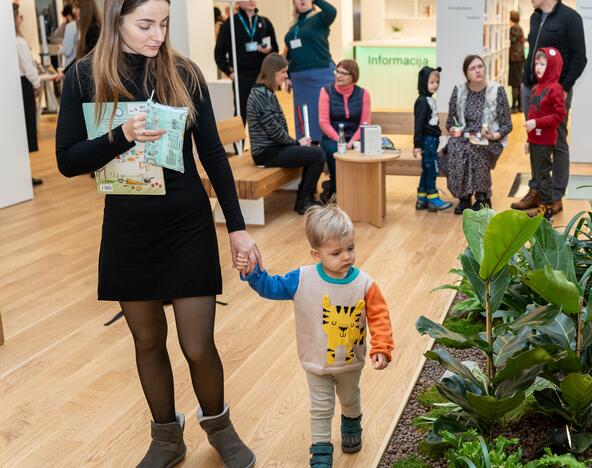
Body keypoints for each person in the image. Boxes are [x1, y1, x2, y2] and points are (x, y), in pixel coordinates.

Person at [55, 1, 260, 466]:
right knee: (146, 340)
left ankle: (220, 427)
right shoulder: (84, 78)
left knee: (197, 343)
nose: (157, 35)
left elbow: (213, 155)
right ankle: (167, 438)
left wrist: (239, 230)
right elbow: (68, 160)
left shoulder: (183, 74)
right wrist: (121, 135)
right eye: (145, 24)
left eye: (164, 24)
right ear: (117, 20)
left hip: (187, 225)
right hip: (128, 231)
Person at [236, 204, 393, 468]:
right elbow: (270, 287)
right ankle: (321, 450)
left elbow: (380, 317)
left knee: (350, 399)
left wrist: (382, 347)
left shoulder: (365, 284)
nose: (346, 257)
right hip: (315, 363)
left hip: (350, 363)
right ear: (315, 253)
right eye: (336, 252)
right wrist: (252, 272)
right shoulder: (302, 279)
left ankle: (352, 423)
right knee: (320, 408)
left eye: (351, 248)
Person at [513, 0, 586, 216]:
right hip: (531, 88)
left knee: (558, 141)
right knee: (536, 139)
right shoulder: (535, 17)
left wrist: (564, 87)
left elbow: (580, 57)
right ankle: (537, 189)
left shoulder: (570, 18)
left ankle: (555, 196)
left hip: (555, 91)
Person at [247, 53, 325, 215]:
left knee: (314, 149)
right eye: (282, 72)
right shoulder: (261, 94)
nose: (285, 76)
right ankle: (303, 200)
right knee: (317, 154)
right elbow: (274, 130)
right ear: (272, 72)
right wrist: (296, 143)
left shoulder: (265, 92)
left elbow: (276, 130)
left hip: (274, 148)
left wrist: (296, 142)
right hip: (266, 153)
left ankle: (306, 196)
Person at [443, 55, 513, 214]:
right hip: (464, 137)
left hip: (490, 140)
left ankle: (483, 197)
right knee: (456, 147)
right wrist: (453, 129)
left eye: (480, 66)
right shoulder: (459, 91)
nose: (478, 70)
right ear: (466, 74)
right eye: (473, 68)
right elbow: (450, 122)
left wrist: (494, 135)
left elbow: (507, 124)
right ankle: (464, 197)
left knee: (475, 148)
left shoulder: (497, 90)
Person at [214, 0, 278, 124]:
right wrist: (230, 73)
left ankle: (264, 144)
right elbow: (219, 54)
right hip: (241, 78)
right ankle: (239, 144)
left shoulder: (264, 23)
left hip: (262, 77)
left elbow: (275, 50)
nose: (251, 1)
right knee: (240, 115)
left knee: (266, 115)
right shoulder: (230, 24)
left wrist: (268, 51)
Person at [318, 59, 371, 204]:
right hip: (332, 137)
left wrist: (352, 142)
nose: (338, 76)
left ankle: (360, 192)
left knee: (364, 151)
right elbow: (323, 122)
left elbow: (364, 123)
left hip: (355, 138)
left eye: (343, 73)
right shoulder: (326, 91)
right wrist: (339, 140)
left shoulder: (363, 94)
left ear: (353, 76)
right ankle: (337, 190)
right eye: (337, 71)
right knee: (334, 151)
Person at [285, 0, 337, 143]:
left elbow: (332, 11)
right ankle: (307, 152)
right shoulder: (294, 26)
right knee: (303, 118)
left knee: (322, 115)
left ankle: (328, 150)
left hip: (320, 75)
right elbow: (291, 53)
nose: (302, 1)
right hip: (299, 80)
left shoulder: (320, 19)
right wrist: (288, 75)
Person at [524, 48, 567, 219]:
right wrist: (529, 138)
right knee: (538, 173)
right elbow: (533, 114)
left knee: (543, 174)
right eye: (536, 63)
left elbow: (559, 115)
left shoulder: (555, 89)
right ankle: (543, 204)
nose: (538, 67)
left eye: (543, 64)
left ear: (553, 66)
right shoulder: (537, 87)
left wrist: (536, 123)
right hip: (534, 139)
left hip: (545, 140)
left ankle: (546, 207)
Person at [413, 66, 452, 212]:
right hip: (427, 141)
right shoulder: (422, 101)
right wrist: (417, 145)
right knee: (432, 169)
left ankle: (422, 198)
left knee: (427, 169)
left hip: (432, 140)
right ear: (423, 82)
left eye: (437, 82)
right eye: (431, 82)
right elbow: (418, 125)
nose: (435, 85)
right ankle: (433, 198)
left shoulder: (429, 99)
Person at [14, 3, 43, 187]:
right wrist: (37, 83)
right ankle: (25, 176)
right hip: (24, 87)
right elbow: (28, 67)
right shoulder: (19, 41)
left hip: (15, 87)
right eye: (19, 16)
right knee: (25, 131)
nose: (21, 19)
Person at [508, 10, 525, 113]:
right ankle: (519, 107)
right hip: (519, 58)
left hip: (515, 59)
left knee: (515, 83)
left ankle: (514, 107)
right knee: (518, 83)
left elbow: (511, 41)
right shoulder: (519, 28)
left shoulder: (513, 28)